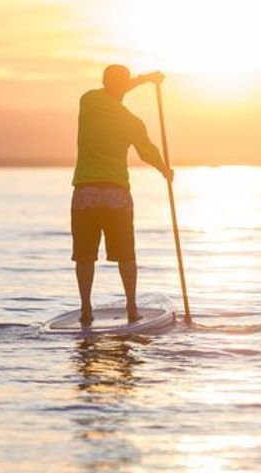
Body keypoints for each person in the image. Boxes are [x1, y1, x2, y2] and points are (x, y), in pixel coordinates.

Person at [71, 64, 173, 326]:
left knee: (85, 255)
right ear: (124, 86)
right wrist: (165, 170)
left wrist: (145, 79)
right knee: (126, 254)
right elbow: (148, 152)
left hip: (86, 193)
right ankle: (131, 307)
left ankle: (85, 308)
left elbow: (119, 86)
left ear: (104, 82)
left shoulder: (89, 101)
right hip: (116, 194)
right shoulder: (131, 122)